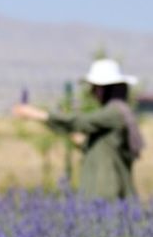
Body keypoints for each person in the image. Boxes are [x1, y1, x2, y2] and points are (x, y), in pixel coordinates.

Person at [12, 58, 143, 200]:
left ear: (107, 89)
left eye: (96, 87)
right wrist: (67, 130)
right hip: (100, 193)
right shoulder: (116, 112)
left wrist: (35, 114)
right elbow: (97, 146)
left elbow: (80, 122)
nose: (92, 92)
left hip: (108, 194)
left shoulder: (115, 112)